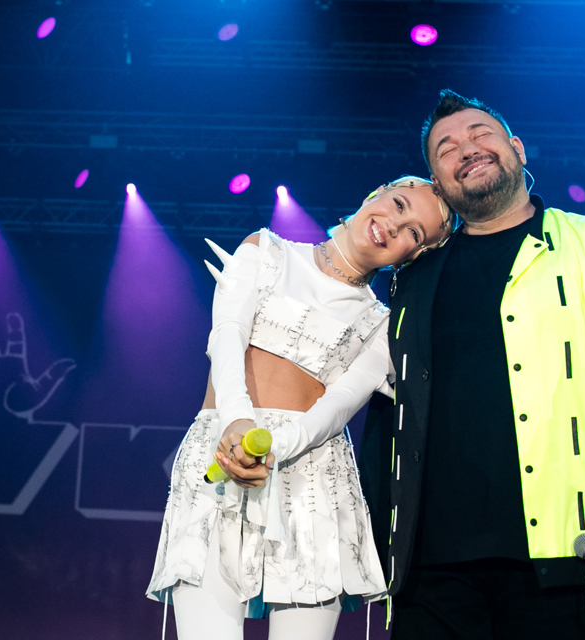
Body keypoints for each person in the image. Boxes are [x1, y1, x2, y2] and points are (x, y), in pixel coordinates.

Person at [359, 91, 585, 639]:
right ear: (437, 182)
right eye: (446, 149)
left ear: (517, 148)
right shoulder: (413, 275)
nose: (466, 149)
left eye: (480, 134)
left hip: (555, 555)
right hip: (426, 568)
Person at [146, 176, 454, 640]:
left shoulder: (383, 325)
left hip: (311, 481)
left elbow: (337, 408)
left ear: (414, 255)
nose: (394, 225)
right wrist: (237, 423)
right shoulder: (265, 251)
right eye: (398, 204)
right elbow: (227, 336)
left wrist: (274, 447)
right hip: (221, 450)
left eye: (414, 232)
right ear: (374, 194)